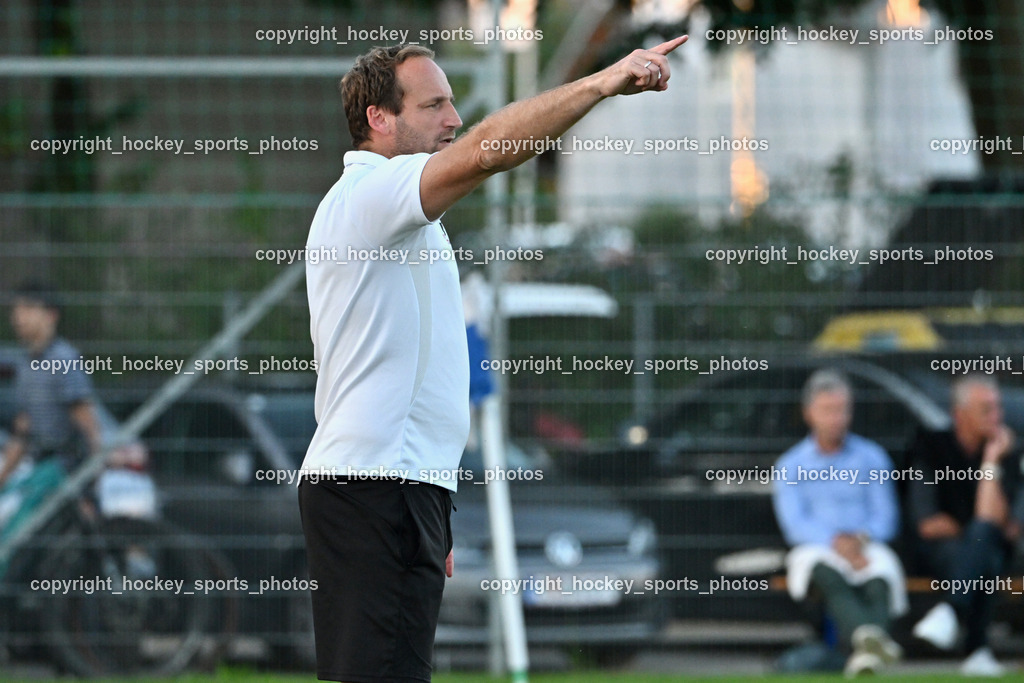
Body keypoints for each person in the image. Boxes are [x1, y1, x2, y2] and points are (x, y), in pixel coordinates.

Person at [297, 37, 688, 682]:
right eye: (435, 104)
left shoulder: (404, 216)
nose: (453, 119)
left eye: (453, 103)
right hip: (374, 490)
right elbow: (489, 150)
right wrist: (601, 82)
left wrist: (435, 498)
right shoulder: (373, 194)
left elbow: (421, 369)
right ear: (378, 118)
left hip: (399, 489)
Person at [772, 369, 906, 677]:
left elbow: (886, 516)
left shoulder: (872, 457)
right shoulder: (791, 464)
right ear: (809, 413)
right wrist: (837, 543)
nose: (837, 419)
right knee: (826, 573)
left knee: (880, 575)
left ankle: (863, 655)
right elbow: (795, 524)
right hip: (818, 548)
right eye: (828, 410)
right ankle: (871, 639)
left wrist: (860, 540)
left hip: (866, 545)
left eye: (842, 410)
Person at [907, 374, 1021, 677]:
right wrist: (973, 532)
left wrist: (992, 461)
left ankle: (951, 610)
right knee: (984, 553)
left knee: (985, 544)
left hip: (990, 552)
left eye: (998, 409)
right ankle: (976, 649)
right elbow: (928, 524)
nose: (996, 417)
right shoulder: (930, 448)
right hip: (939, 555)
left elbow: (999, 524)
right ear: (960, 414)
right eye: (987, 410)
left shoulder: (1005, 452)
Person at [0, 282, 102, 544]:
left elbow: (88, 424)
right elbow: (23, 431)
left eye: (28, 308)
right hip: (40, 466)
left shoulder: (63, 358)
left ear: (50, 315)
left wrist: (92, 484)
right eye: (16, 310)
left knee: (14, 540)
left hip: (64, 468)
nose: (18, 317)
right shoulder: (26, 364)